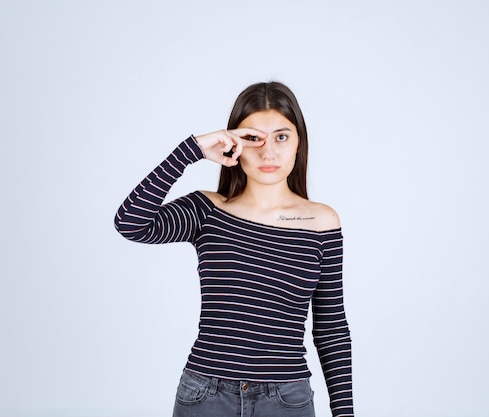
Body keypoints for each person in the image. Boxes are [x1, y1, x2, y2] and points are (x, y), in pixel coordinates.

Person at [114, 81, 354, 417]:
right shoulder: (207, 210)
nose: (268, 152)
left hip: (286, 399)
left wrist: (345, 414)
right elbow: (131, 222)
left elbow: (331, 328)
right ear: (234, 142)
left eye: (282, 137)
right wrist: (192, 149)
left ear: (299, 143)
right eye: (254, 138)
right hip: (206, 395)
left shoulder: (321, 221)